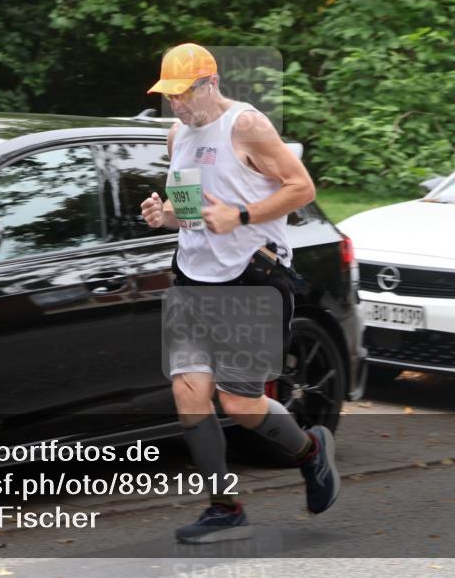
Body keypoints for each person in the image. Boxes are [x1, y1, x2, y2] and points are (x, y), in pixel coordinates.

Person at [141, 42, 340, 544]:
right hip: (192, 276)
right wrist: (163, 215)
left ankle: (311, 452)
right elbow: (186, 206)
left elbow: (302, 188)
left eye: (183, 94)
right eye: (169, 96)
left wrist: (242, 216)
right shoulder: (177, 135)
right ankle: (225, 508)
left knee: (241, 406)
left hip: (251, 279)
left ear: (209, 84)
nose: (177, 106)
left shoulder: (246, 126)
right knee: (188, 395)